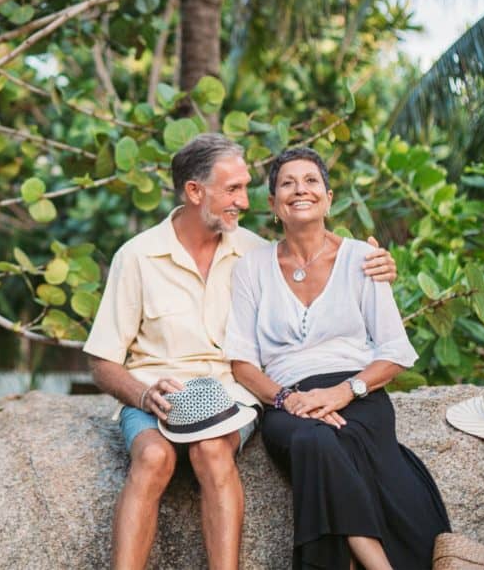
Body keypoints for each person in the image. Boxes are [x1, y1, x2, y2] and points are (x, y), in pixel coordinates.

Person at [84, 134, 398, 570]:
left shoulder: (254, 252)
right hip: (156, 394)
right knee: (153, 457)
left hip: (232, 392)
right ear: (195, 192)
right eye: (232, 189)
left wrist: (378, 263)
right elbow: (101, 362)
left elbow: (319, 257)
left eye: (246, 188)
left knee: (211, 451)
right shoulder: (137, 256)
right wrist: (141, 396)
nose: (244, 201)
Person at [225, 147, 451, 569]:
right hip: (285, 398)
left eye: (311, 181)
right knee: (312, 438)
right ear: (273, 205)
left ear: (329, 198)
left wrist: (344, 392)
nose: (300, 190)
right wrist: (286, 399)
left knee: (329, 441)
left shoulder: (363, 259)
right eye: (287, 184)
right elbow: (242, 362)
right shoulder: (251, 268)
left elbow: (395, 352)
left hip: (359, 393)